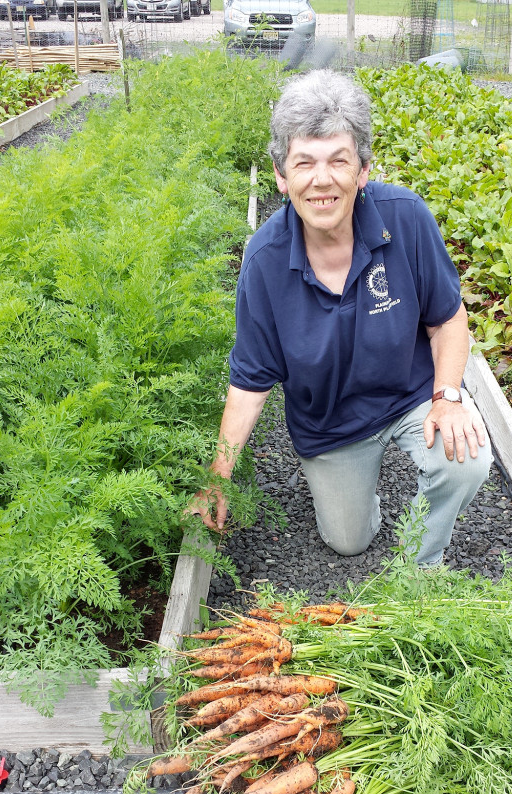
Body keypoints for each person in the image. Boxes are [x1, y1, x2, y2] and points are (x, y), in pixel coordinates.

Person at [188, 68, 492, 567]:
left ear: (363, 171)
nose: (322, 179)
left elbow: (447, 319)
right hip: (331, 424)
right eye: (304, 162)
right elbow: (251, 380)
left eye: (338, 160)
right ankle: (359, 492)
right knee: (348, 540)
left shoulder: (406, 218)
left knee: (468, 459)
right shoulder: (265, 261)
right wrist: (218, 474)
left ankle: (422, 565)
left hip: (410, 396)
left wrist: (448, 397)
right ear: (281, 177)